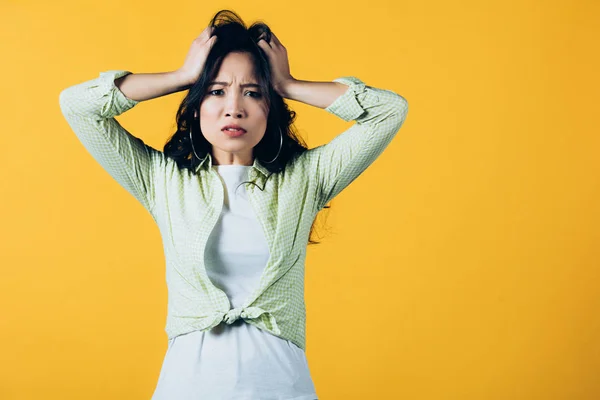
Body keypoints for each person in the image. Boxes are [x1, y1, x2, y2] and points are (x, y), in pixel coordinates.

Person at [58, 9, 408, 400]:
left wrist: (288, 83)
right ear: (195, 106)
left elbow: (388, 111)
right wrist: (183, 76)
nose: (234, 107)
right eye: (217, 91)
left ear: (271, 107)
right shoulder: (163, 181)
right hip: (186, 387)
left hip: (282, 388)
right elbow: (78, 105)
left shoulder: (305, 180)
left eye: (253, 92)